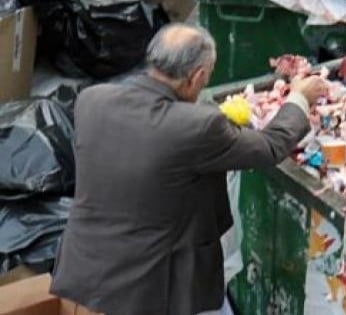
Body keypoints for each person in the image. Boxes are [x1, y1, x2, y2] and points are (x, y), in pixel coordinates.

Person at [49, 23, 327, 315]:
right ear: (198, 76)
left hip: (86, 267)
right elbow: (270, 147)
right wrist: (299, 98)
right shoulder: (199, 126)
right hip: (147, 286)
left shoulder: (92, 100)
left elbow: (149, 145)